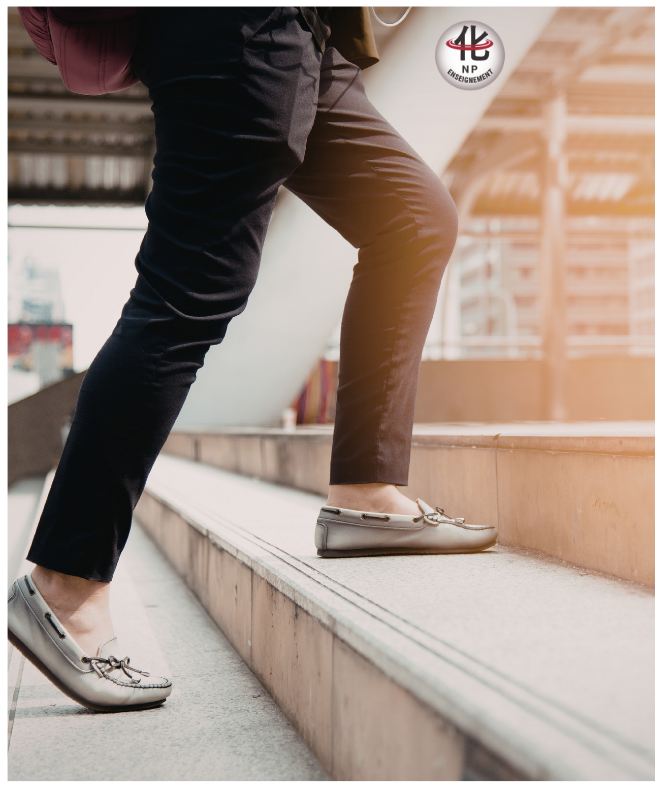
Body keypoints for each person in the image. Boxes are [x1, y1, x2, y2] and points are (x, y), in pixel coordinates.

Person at [9, 7, 495, 713]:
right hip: (237, 26)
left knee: (413, 217)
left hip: (303, 31)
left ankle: (366, 493)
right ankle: (65, 585)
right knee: (188, 290)